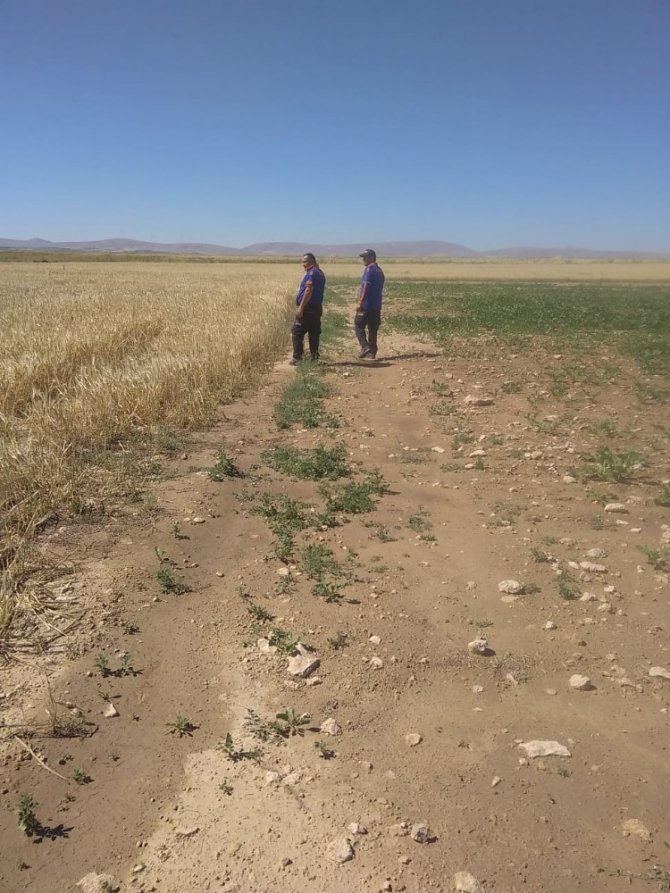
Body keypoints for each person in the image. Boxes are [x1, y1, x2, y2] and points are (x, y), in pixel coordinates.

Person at [291, 253, 326, 365]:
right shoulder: (320, 272)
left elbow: (308, 290)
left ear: (311, 261)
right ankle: (314, 357)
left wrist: (301, 308)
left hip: (308, 308)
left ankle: (297, 358)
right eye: (302, 262)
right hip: (317, 307)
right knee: (314, 333)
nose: (303, 264)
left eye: (305, 262)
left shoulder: (312, 273)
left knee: (297, 332)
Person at [355, 248, 385, 359]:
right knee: (373, 329)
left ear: (371, 258)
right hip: (376, 306)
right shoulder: (380, 271)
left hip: (366, 305)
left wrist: (360, 302)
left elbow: (365, 286)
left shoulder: (369, 270)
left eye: (365, 257)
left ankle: (365, 347)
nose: (363, 259)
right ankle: (371, 353)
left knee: (358, 325)